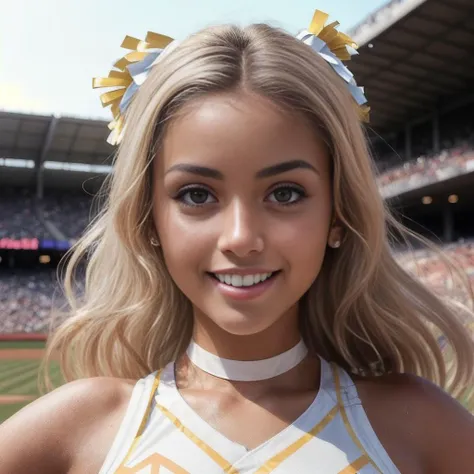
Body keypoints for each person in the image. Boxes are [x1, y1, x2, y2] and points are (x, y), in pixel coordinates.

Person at [1, 9, 473, 474]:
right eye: (197, 195)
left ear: (338, 214)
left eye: (286, 193)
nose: (241, 238)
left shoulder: (422, 428)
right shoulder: (78, 430)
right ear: (148, 220)